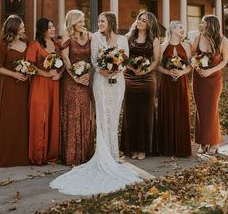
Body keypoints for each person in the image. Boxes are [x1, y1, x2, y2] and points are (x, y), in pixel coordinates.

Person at [50, 11, 141, 195]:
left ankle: (114, 155)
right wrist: (103, 70)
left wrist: (116, 69)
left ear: (111, 23)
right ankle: (103, 154)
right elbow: (93, 60)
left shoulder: (122, 39)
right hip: (100, 82)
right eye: (98, 21)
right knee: (101, 117)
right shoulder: (95, 38)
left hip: (117, 83)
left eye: (102, 21)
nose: (98, 24)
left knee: (114, 117)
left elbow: (125, 60)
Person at [120, 11, 160, 160]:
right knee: (130, 112)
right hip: (130, 78)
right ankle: (130, 148)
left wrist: (144, 70)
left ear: (149, 24)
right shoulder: (128, 38)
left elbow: (156, 60)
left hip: (147, 80)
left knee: (145, 113)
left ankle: (143, 148)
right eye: (139, 19)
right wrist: (133, 69)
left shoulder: (154, 40)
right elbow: (122, 57)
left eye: (144, 20)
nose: (140, 22)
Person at [59, 9, 95, 166]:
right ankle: (72, 155)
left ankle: (86, 154)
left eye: (83, 21)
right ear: (72, 22)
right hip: (71, 81)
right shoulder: (67, 36)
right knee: (73, 114)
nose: (83, 24)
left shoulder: (89, 36)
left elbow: (95, 57)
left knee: (85, 113)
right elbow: (65, 58)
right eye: (80, 21)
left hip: (86, 79)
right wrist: (75, 77)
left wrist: (88, 73)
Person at [192, 14, 228, 155]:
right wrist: (197, 67)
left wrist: (210, 72)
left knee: (211, 109)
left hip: (213, 79)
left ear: (210, 24)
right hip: (198, 78)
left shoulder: (223, 40)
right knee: (200, 109)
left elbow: (224, 61)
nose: (200, 24)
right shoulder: (198, 37)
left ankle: (214, 142)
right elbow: (192, 56)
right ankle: (203, 142)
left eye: (202, 22)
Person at [26, 18, 63, 165]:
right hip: (40, 84)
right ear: (42, 30)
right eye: (49, 27)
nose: (53, 29)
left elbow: (64, 64)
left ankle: (51, 154)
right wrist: (45, 73)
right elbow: (29, 65)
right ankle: (38, 155)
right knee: (40, 117)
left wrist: (59, 75)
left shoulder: (58, 45)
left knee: (52, 116)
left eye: (53, 26)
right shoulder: (34, 45)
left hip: (55, 84)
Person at [0, 15, 29, 167]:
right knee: (10, 118)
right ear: (13, 28)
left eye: (23, 27)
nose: (23, 29)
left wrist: (28, 71)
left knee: (23, 118)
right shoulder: (2, 44)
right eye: (21, 27)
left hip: (25, 86)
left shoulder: (25, 42)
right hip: (9, 86)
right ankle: (8, 156)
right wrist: (14, 74)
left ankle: (22, 155)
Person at [157, 21, 192, 157]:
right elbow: (158, 66)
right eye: (180, 27)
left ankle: (182, 148)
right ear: (172, 29)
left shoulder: (187, 46)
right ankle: (167, 148)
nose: (183, 30)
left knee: (181, 110)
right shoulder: (162, 46)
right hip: (167, 82)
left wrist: (182, 73)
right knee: (168, 110)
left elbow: (190, 65)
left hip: (181, 82)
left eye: (183, 28)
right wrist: (168, 72)